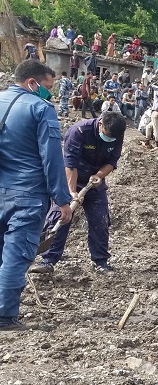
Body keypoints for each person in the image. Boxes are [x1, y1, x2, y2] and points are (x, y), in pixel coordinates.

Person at [0, 61, 73, 330]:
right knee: (16, 256)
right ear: (32, 83)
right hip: (27, 195)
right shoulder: (40, 109)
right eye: (47, 87)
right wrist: (62, 200)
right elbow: (52, 158)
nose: (50, 94)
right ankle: (4, 316)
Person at [29, 112, 126, 276]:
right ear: (100, 124)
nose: (109, 139)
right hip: (70, 176)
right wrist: (71, 192)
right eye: (107, 135)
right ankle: (48, 261)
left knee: (100, 220)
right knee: (61, 216)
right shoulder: (79, 131)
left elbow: (111, 162)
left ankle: (100, 261)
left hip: (93, 181)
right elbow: (70, 164)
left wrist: (99, 176)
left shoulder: (117, 133)